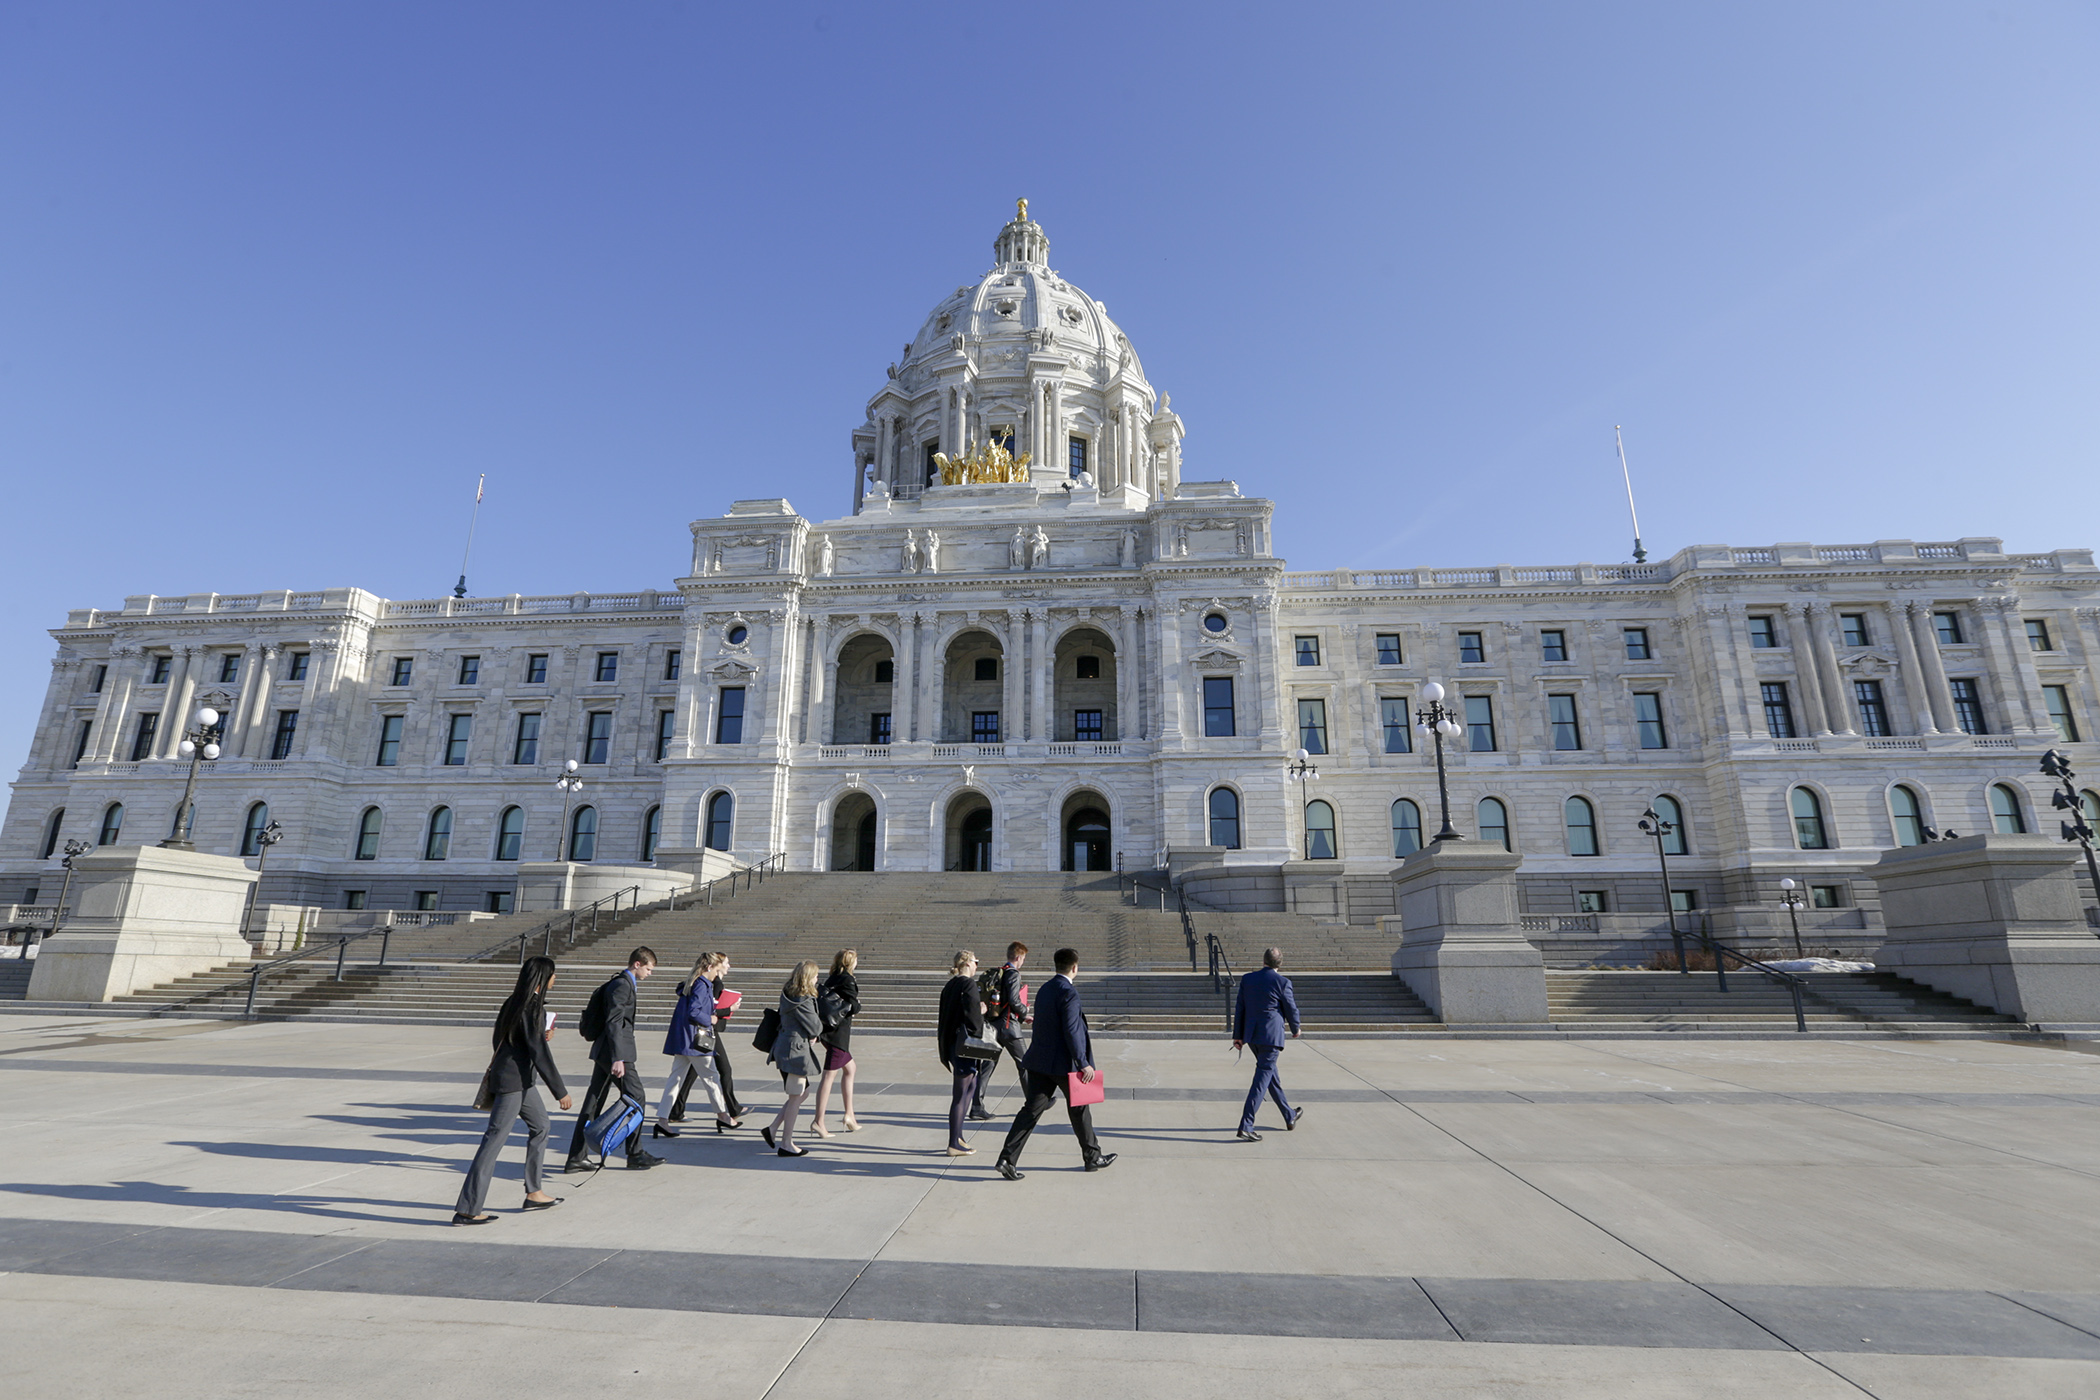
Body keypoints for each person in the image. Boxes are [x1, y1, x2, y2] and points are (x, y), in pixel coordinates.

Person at [454, 956, 574, 1224]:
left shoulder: (514, 1002)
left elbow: (503, 1038)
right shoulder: (532, 1008)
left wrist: (538, 1035)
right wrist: (560, 1091)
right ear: (542, 979)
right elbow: (538, 1052)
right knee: (493, 1140)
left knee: (541, 1126)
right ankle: (468, 1208)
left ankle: (534, 1192)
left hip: (520, 1081)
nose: (556, 979)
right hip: (512, 1083)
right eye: (553, 975)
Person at [994, 946, 1115, 1180]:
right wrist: (1083, 1062)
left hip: (1040, 1061)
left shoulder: (1045, 989)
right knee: (1080, 1110)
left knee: (1030, 1112)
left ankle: (1007, 1159)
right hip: (1064, 1064)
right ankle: (1092, 1157)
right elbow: (1072, 1030)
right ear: (1075, 968)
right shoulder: (1069, 993)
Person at [564, 946, 663, 1172]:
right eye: (648, 968)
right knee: (636, 1096)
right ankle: (635, 1153)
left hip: (605, 1053)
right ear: (637, 964)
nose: (650, 973)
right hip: (614, 1054)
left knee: (594, 1102)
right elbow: (614, 1022)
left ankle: (575, 1158)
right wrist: (619, 1057)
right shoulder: (622, 985)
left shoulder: (621, 983)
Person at [655, 953, 738, 1137]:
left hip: (684, 1039)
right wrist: (711, 1019)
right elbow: (695, 1012)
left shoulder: (694, 982)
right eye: (716, 970)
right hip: (695, 1041)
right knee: (711, 1077)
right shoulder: (702, 984)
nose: (717, 974)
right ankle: (723, 1115)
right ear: (709, 968)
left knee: (675, 1079)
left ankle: (662, 1119)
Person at [1232, 946, 1303, 1141]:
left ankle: (1289, 1115)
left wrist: (1237, 1035)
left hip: (1252, 1036)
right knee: (1261, 1081)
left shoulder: (1248, 979)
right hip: (1271, 1038)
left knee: (1270, 1075)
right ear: (1280, 964)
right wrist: (1296, 1028)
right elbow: (1291, 1008)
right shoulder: (1283, 982)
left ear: (1263, 961)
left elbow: (1240, 1008)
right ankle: (1246, 1125)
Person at [669, 954, 746, 1122]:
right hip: (705, 1031)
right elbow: (705, 1010)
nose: (728, 966)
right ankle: (728, 1112)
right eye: (726, 963)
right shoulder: (710, 984)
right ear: (713, 966)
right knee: (717, 1072)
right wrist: (729, 1009)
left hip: (699, 1032)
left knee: (689, 1073)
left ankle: (673, 1112)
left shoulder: (699, 982)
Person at [763, 960, 823, 1158]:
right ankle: (786, 1143)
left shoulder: (788, 993)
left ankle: (773, 1129)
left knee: (802, 1093)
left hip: (785, 1047)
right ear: (807, 978)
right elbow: (815, 1027)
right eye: (815, 976)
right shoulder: (803, 999)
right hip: (795, 1051)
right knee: (797, 1096)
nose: (817, 979)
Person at [937, 949, 992, 1155]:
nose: (978, 965)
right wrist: (982, 1010)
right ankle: (953, 1142)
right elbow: (972, 1016)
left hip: (952, 1044)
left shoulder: (950, 985)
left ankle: (958, 1136)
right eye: (976, 961)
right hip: (964, 1046)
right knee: (960, 1095)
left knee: (972, 1085)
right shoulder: (968, 984)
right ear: (968, 963)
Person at [970, 940, 1031, 1120]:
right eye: (1024, 958)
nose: (1023, 962)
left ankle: (976, 1107)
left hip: (993, 1025)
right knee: (1025, 1064)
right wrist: (1025, 1011)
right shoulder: (1013, 974)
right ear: (1018, 957)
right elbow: (1013, 1000)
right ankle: (1034, 1101)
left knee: (986, 1067)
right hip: (1009, 1027)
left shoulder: (998, 972)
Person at [809, 948, 862, 1136]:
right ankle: (818, 1121)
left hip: (829, 1032)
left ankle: (850, 1114)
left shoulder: (832, 978)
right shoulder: (848, 979)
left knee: (850, 1068)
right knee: (828, 1077)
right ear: (850, 962)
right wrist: (858, 1004)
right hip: (838, 1034)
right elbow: (853, 1005)